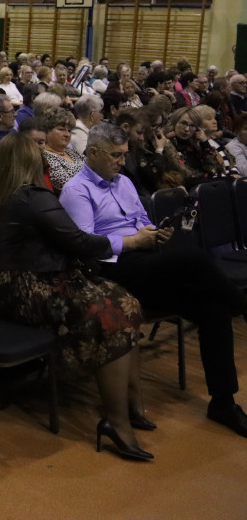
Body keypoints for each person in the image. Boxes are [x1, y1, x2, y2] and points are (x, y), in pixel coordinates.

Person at [61, 122, 247, 438]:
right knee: (196, 259)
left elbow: (142, 220)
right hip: (111, 272)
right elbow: (87, 247)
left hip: (145, 264)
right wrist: (133, 242)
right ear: (93, 152)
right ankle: (243, 307)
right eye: (116, 156)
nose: (122, 162)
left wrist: (157, 231)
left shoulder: (123, 182)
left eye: (124, 155)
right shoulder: (76, 190)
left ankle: (223, 402)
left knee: (213, 309)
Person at [0, 133, 148, 459]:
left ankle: (131, 405)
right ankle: (118, 419)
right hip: (36, 287)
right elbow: (78, 240)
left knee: (125, 302)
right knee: (111, 314)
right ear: (32, 161)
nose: (46, 156)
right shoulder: (33, 196)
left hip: (20, 287)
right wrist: (129, 243)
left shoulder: (4, 195)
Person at [40, 106, 85, 193]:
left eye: (69, 131)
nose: (67, 134)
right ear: (46, 131)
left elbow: (94, 171)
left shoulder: (71, 152)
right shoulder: (45, 157)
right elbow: (67, 186)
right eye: (61, 129)